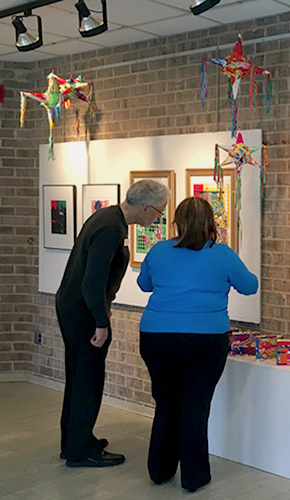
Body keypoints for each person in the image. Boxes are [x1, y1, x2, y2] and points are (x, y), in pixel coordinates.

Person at [137, 196, 258, 493]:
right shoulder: (222, 254)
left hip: (157, 336)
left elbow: (144, 284)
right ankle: (194, 477)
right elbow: (250, 286)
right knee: (195, 406)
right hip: (205, 340)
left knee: (166, 403)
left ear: (177, 222)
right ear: (210, 223)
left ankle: (159, 470)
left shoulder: (159, 249)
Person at [56, 179, 171, 467]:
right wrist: (100, 321)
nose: (159, 218)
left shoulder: (107, 217)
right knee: (88, 379)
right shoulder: (111, 228)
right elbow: (92, 282)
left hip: (73, 307)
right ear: (145, 208)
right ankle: (80, 451)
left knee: (78, 376)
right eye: (159, 212)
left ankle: (73, 441)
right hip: (82, 313)